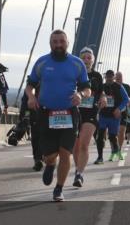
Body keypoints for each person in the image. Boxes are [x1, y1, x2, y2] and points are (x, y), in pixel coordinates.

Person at [26, 30, 91, 202]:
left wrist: (81, 95)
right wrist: (31, 97)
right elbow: (30, 85)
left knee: (65, 153)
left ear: (67, 43)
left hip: (69, 113)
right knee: (50, 156)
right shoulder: (42, 62)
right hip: (47, 113)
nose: (58, 45)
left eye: (61, 41)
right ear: (50, 44)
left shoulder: (77, 63)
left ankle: (59, 189)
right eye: (55, 42)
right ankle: (50, 164)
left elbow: (87, 88)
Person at [73, 47, 104, 186]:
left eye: (89, 58)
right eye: (83, 58)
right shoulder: (74, 74)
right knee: (76, 146)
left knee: (84, 144)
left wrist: (103, 97)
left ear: (93, 60)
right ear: (79, 60)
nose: (86, 60)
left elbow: (101, 92)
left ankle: (79, 174)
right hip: (75, 112)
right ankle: (77, 168)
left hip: (91, 113)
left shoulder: (97, 76)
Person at [97, 69, 128, 161]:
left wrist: (119, 109)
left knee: (112, 137)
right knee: (100, 136)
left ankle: (117, 151)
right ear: (105, 77)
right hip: (103, 115)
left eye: (111, 77)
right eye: (108, 77)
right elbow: (96, 98)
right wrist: (98, 105)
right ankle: (100, 157)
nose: (109, 78)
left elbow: (126, 99)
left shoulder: (119, 87)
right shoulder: (101, 87)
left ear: (113, 77)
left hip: (114, 116)